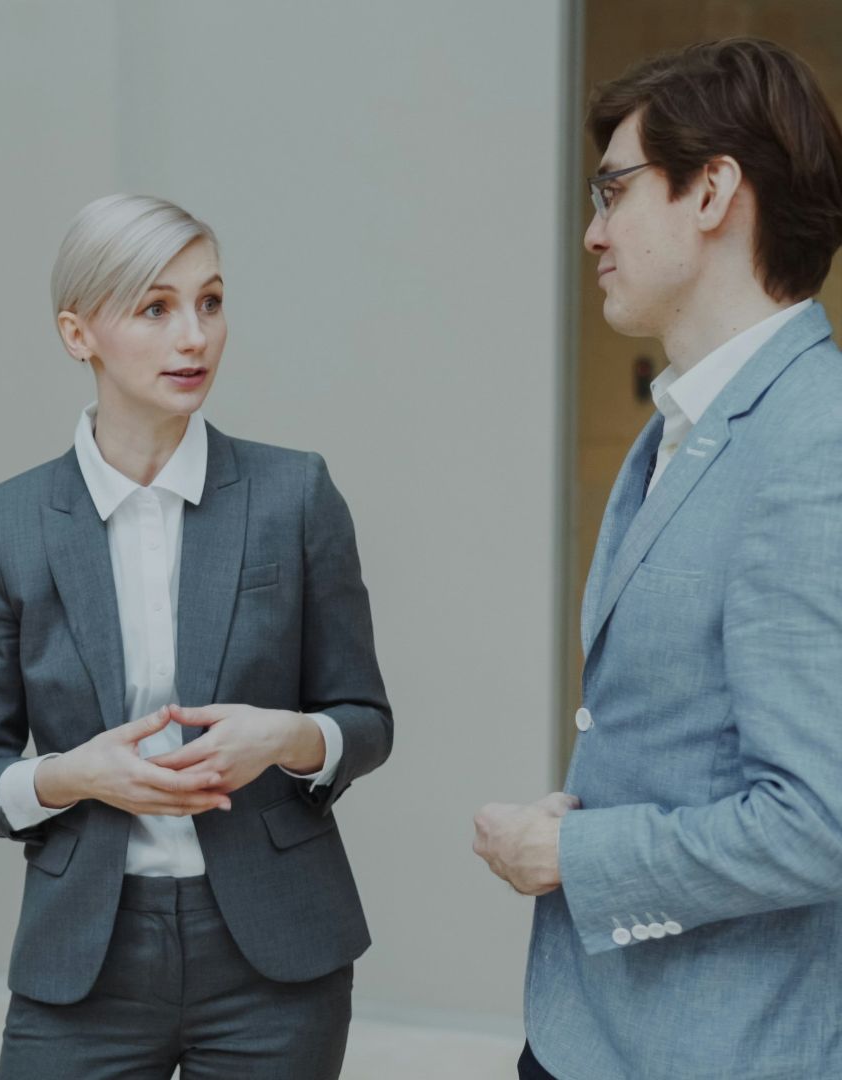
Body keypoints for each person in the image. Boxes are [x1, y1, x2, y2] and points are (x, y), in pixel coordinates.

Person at [0, 194, 392, 1079]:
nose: (195, 337)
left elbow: (365, 719)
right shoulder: (10, 524)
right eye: (156, 307)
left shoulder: (295, 494)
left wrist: (291, 738)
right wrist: (78, 774)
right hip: (85, 958)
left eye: (211, 302)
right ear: (80, 334)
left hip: (277, 956)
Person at [472, 37, 842, 1080]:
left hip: (718, 1049)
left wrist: (571, 855)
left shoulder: (816, 442)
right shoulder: (680, 423)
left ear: (714, 189)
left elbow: (819, 821)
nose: (592, 233)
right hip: (596, 1029)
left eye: (614, 190)